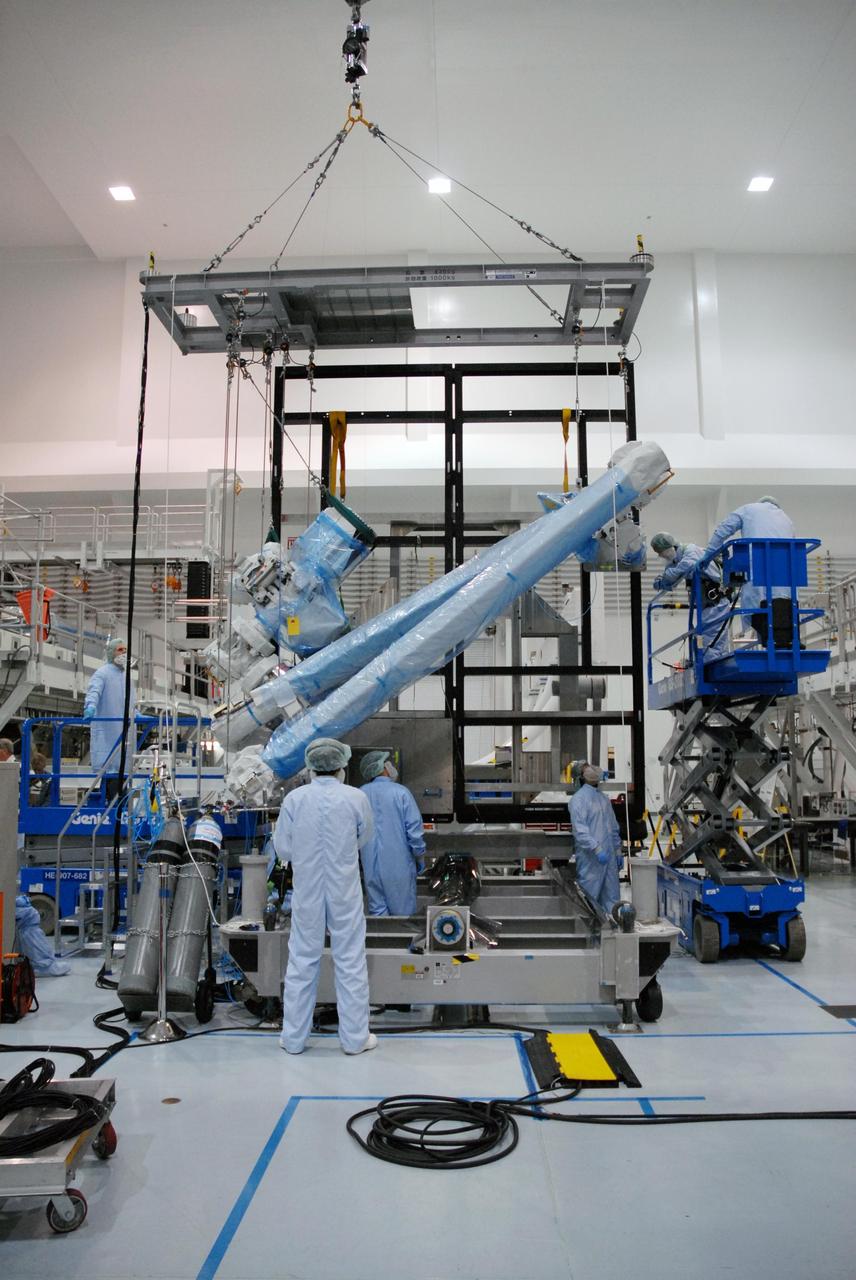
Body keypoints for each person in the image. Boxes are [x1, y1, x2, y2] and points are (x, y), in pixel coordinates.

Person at [273, 737, 377, 1056]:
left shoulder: (295, 799)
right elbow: (365, 837)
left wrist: (307, 856)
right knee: (350, 959)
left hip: (307, 889)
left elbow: (283, 848)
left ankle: (293, 1039)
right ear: (342, 766)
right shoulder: (356, 797)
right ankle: (356, 1039)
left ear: (310, 766)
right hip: (344, 888)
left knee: (302, 958)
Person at [701, 497, 796, 644]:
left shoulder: (748, 509)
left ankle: (767, 637)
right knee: (779, 603)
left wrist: (708, 556)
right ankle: (780, 638)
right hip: (784, 571)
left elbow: (723, 529)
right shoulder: (787, 518)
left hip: (756, 565)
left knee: (757, 604)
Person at [359, 751, 426, 916]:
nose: (391, 765)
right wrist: (420, 855)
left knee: (378, 916)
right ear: (383, 767)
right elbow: (414, 830)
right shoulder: (401, 792)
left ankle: (383, 942)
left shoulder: (359, 794)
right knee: (403, 918)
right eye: (387, 762)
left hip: (369, 867)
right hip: (399, 867)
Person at [650, 532, 732, 662]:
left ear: (671, 548)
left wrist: (665, 579)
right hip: (705, 606)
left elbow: (684, 568)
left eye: (663, 553)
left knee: (712, 641)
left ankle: (711, 670)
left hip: (716, 603)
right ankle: (706, 668)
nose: (662, 556)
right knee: (703, 640)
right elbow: (669, 576)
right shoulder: (677, 559)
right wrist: (663, 580)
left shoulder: (691, 551)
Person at [83, 638, 135, 799]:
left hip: (125, 736)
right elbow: (94, 691)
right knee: (111, 775)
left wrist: (136, 714)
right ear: (111, 652)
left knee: (123, 780)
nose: (124, 654)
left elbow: (130, 701)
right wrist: (90, 706)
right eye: (120, 650)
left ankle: (120, 812)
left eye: (125, 650)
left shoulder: (127, 677)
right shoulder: (102, 673)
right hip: (108, 735)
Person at [569, 762, 623, 915]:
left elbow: (612, 827)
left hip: (609, 857)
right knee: (589, 901)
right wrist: (597, 848)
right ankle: (590, 937)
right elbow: (580, 831)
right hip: (591, 858)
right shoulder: (578, 800)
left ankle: (611, 934)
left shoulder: (602, 798)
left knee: (612, 899)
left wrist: (617, 850)